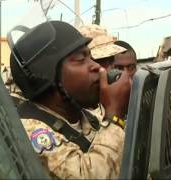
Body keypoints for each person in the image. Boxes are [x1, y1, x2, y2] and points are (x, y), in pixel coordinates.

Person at [9, 21, 131, 179]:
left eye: (91, 57)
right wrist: (115, 117)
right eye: (81, 58)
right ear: (48, 75)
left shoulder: (90, 119)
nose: (97, 67)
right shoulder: (29, 131)